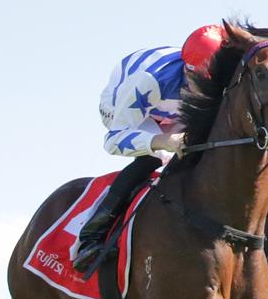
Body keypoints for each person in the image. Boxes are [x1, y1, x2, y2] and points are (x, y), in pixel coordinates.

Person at [72, 25, 225, 274]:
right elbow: (113, 140)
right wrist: (162, 143)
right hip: (124, 106)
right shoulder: (151, 81)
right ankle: (91, 237)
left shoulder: (226, 73)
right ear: (189, 70)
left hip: (175, 110)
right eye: (198, 80)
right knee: (152, 160)